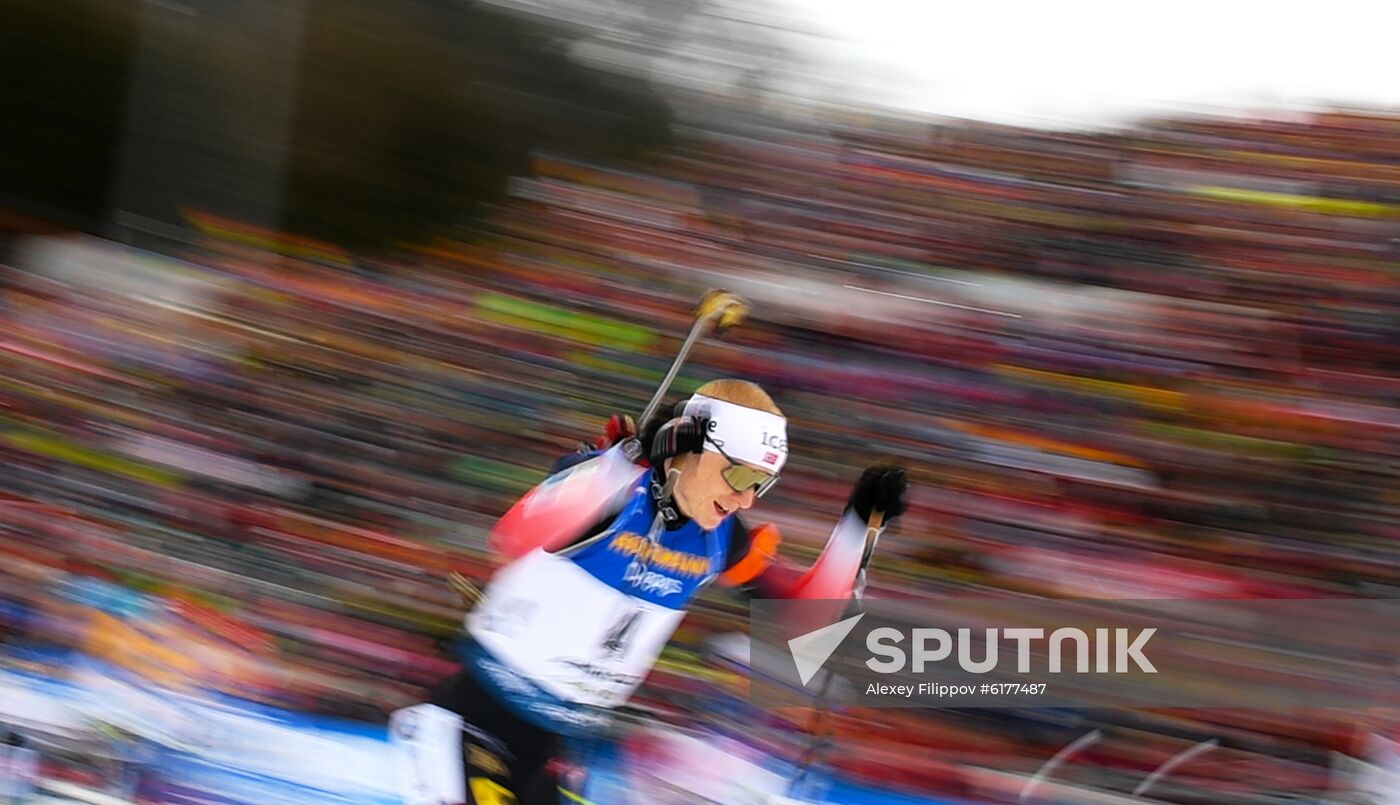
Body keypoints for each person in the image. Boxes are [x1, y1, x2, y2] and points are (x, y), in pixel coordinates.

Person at [391, 378, 908, 805]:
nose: (746, 497)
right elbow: (513, 535)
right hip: (477, 730)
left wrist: (859, 524)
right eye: (739, 474)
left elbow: (809, 625)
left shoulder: (720, 539)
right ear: (687, 447)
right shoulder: (612, 493)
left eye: (762, 482)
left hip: (558, 751)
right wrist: (611, 467)